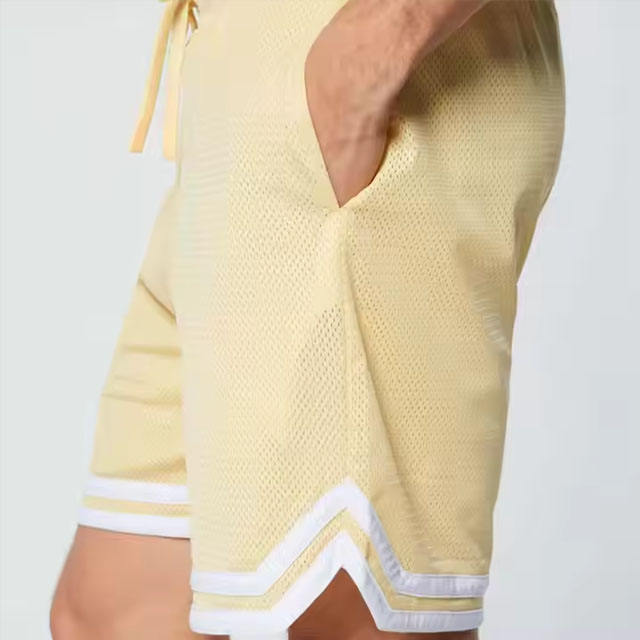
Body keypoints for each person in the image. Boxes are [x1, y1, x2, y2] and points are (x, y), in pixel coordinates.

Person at [50, 0, 565, 638]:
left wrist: (384, 34)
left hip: (380, 94)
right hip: (234, 94)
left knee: (348, 613)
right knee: (110, 611)